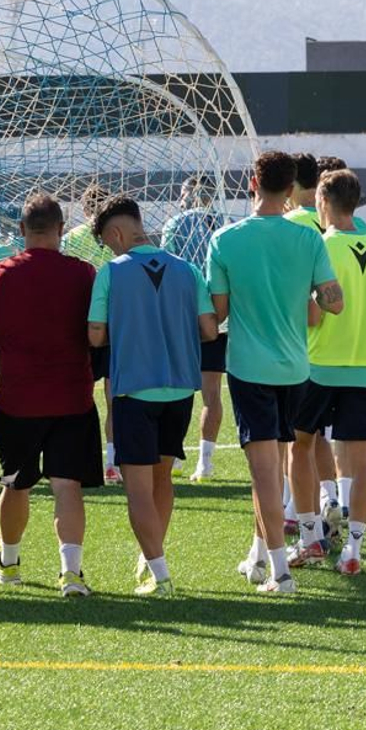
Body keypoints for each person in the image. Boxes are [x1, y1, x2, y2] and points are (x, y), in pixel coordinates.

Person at [207, 150, 343, 594]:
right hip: (295, 368)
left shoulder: (225, 240)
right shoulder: (308, 239)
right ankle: (259, 556)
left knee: (264, 471)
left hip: (249, 367)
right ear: (290, 190)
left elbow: (219, 313)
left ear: (252, 183)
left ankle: (281, 572)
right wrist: (305, 292)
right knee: (278, 465)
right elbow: (333, 302)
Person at [90, 196, 219, 596]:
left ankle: (161, 575)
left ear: (115, 233)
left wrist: (130, 330)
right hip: (179, 389)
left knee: (138, 489)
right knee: (162, 478)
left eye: (106, 243)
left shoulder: (111, 271)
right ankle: (151, 559)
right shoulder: (188, 269)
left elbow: (95, 334)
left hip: (135, 390)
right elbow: (210, 330)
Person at [0, 193, 103, 597]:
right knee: (67, 485)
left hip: (18, 397)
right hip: (72, 396)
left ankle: (9, 562)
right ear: (61, 229)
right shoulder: (83, 273)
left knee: (16, 483)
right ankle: (71, 572)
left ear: (21, 229)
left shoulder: (0, 273)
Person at [289, 170, 366, 574]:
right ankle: (353, 550)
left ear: (323, 201)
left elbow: (313, 314)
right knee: (362, 464)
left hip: (319, 366)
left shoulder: (319, 247)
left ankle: (310, 537)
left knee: (300, 447)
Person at [162, 174, 227, 482]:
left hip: (183, 317)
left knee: (177, 389)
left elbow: (165, 269)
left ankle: (174, 454)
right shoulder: (223, 224)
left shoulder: (175, 224)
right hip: (216, 317)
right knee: (211, 392)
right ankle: (204, 462)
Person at [60, 183, 121, 482]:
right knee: (114, 397)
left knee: (80, 397)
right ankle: (112, 461)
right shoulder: (115, 236)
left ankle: (78, 459)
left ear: (85, 210)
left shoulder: (72, 238)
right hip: (113, 325)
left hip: (82, 325)